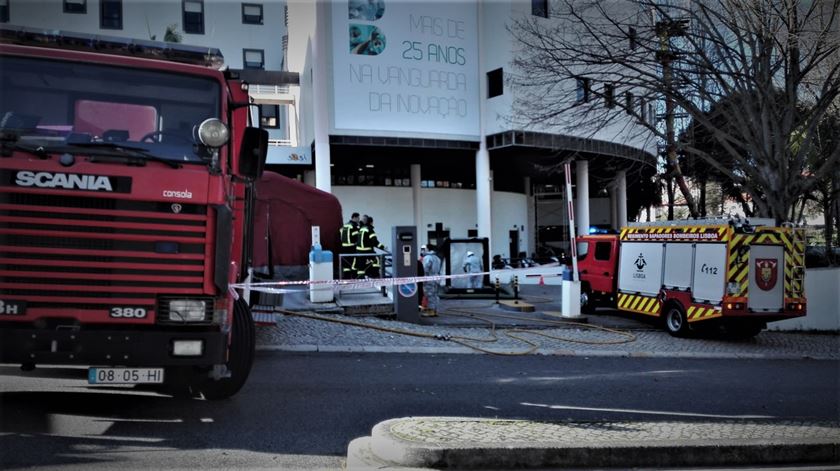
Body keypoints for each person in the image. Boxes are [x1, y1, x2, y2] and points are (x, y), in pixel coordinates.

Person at [422, 244, 442, 316]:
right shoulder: (437, 258)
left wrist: (423, 277)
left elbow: (425, 268)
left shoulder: (427, 258)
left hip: (429, 278)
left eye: (425, 248)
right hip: (436, 278)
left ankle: (430, 311)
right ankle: (435, 310)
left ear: (428, 249)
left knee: (429, 294)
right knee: (435, 295)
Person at [338, 212, 360, 279]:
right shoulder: (354, 226)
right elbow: (356, 236)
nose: (359, 219)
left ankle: (346, 278)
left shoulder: (345, 225)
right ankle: (354, 277)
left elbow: (340, 235)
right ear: (354, 218)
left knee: (346, 264)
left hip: (343, 247)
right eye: (358, 218)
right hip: (352, 247)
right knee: (354, 262)